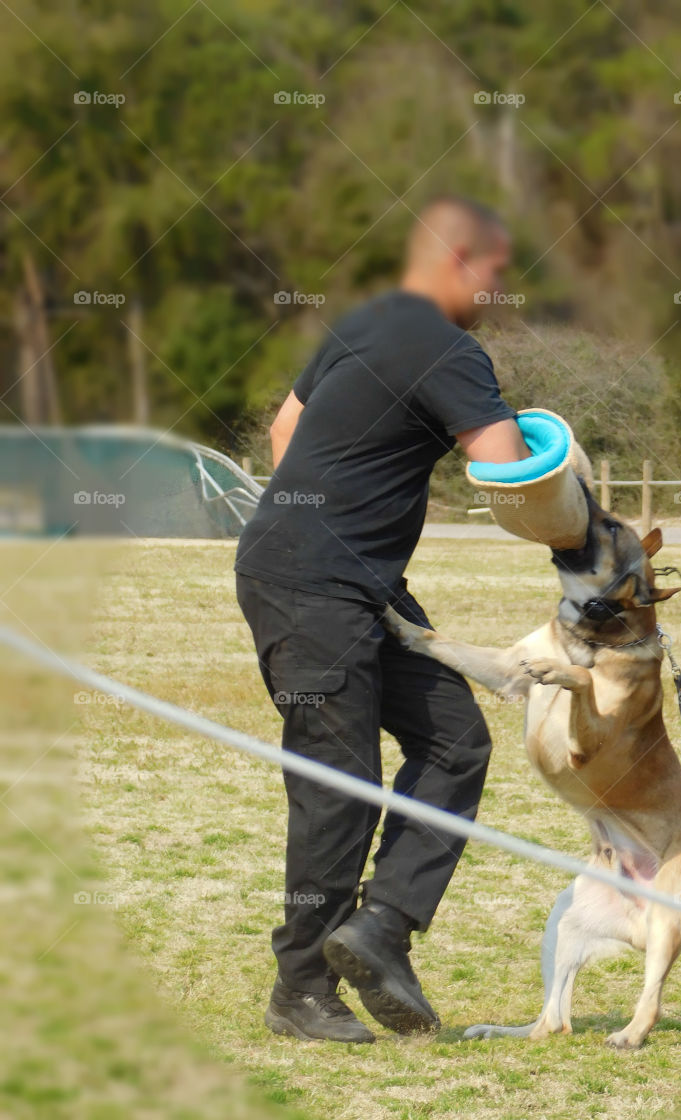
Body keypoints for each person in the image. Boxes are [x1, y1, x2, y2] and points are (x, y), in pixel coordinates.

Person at [235, 196, 531, 1044]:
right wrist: (576, 514)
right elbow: (505, 465)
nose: (499, 291)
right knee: (338, 785)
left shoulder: (365, 323)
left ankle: (383, 927)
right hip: (310, 584)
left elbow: (284, 429)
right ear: (460, 261)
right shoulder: (448, 347)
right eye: (497, 273)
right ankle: (299, 990)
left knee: (453, 739)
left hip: (348, 580)